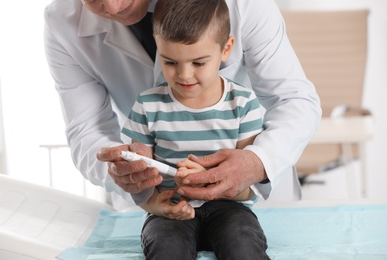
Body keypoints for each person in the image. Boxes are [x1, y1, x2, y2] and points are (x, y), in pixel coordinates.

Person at [44, 0, 321, 211]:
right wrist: (116, 170)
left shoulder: (242, 4)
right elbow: (86, 129)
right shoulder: (62, 22)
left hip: (254, 198)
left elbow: (292, 99)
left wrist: (259, 161)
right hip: (159, 204)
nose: (115, 7)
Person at [120, 2, 269, 258]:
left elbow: (248, 186)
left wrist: (212, 180)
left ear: (226, 49)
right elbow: (141, 185)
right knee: (167, 249)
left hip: (229, 209)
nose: (184, 75)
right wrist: (159, 206)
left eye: (198, 63)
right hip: (169, 209)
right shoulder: (147, 105)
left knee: (242, 246)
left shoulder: (243, 103)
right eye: (170, 62)